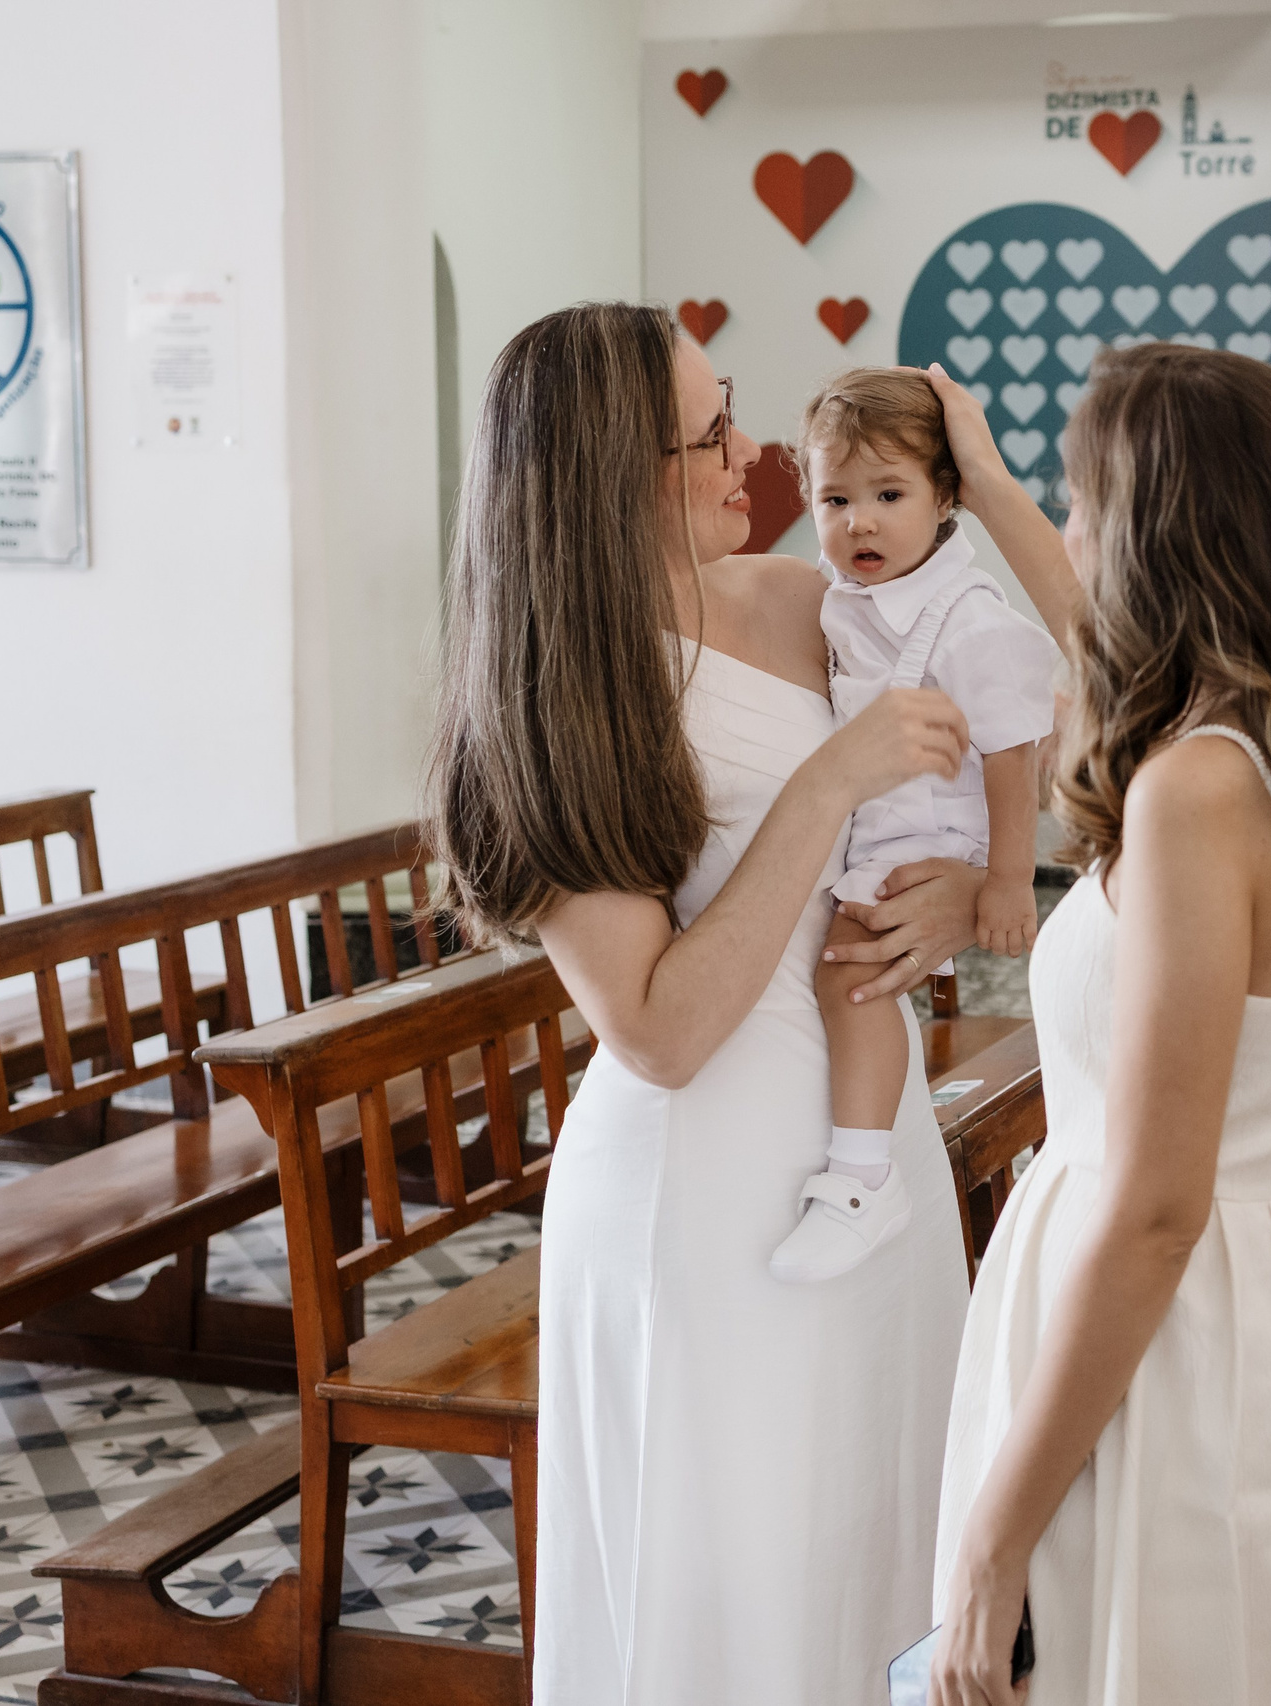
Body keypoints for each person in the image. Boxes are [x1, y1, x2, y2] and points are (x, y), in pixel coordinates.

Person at [421, 304, 1064, 1705]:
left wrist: (959, 885)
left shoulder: (799, 598)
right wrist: (831, 781)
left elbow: (1064, 691)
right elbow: (656, 1031)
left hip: (863, 1142)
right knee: (736, 1569)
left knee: (879, 1533)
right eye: (712, 429)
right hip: (703, 1183)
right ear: (611, 469)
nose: (756, 450)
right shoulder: (549, 704)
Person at [928, 343, 1271, 1706]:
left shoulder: (1197, 794)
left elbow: (1155, 1206)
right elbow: (1093, 621)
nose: (1070, 529)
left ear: (1155, 529)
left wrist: (994, 1533)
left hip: (1160, 1336)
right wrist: (980, 488)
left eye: (1083, 499)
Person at [777, 369, 1062, 1284]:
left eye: (888, 495)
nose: (859, 522)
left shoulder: (966, 619)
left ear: (947, 500)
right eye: (835, 499)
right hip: (876, 822)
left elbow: (1017, 753)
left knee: (850, 973)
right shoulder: (839, 602)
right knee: (844, 976)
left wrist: (1009, 880)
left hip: (930, 833)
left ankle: (862, 1176)